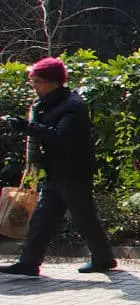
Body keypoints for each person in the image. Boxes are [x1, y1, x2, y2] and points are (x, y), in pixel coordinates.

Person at [0, 57, 117, 278]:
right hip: (56, 172)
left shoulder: (73, 106)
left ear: (54, 82)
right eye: (32, 81)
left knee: (84, 218)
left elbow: (62, 138)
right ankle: (29, 263)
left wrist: (27, 127)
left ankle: (103, 259)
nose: (34, 86)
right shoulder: (46, 104)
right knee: (42, 219)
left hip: (74, 172)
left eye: (38, 81)